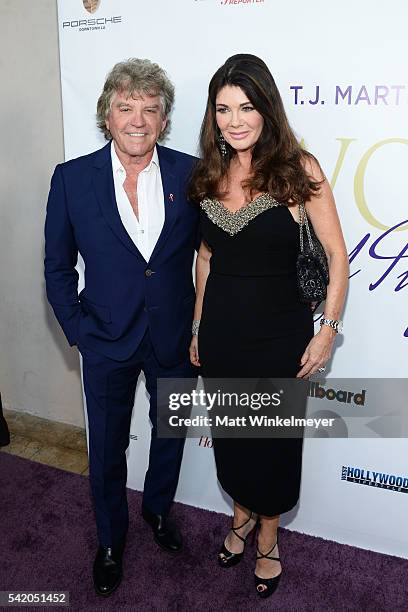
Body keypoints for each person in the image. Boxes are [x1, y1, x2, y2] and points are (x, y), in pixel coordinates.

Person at [188, 54, 349, 598]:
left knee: (274, 444)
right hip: (223, 337)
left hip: (282, 339)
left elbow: (336, 254)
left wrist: (326, 331)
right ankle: (239, 518)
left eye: (246, 107)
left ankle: (268, 539)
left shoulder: (299, 170)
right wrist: (195, 327)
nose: (234, 120)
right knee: (234, 437)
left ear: (267, 109)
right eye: (223, 109)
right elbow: (206, 259)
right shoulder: (209, 173)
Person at [44, 58, 198, 596]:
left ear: (164, 119)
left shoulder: (190, 174)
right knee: (107, 449)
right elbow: (58, 267)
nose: (138, 119)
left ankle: (158, 512)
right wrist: (77, 332)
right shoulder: (71, 180)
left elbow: (208, 254)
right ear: (106, 115)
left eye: (150, 109)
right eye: (125, 107)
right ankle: (111, 540)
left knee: (170, 435)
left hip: (174, 337)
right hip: (104, 339)